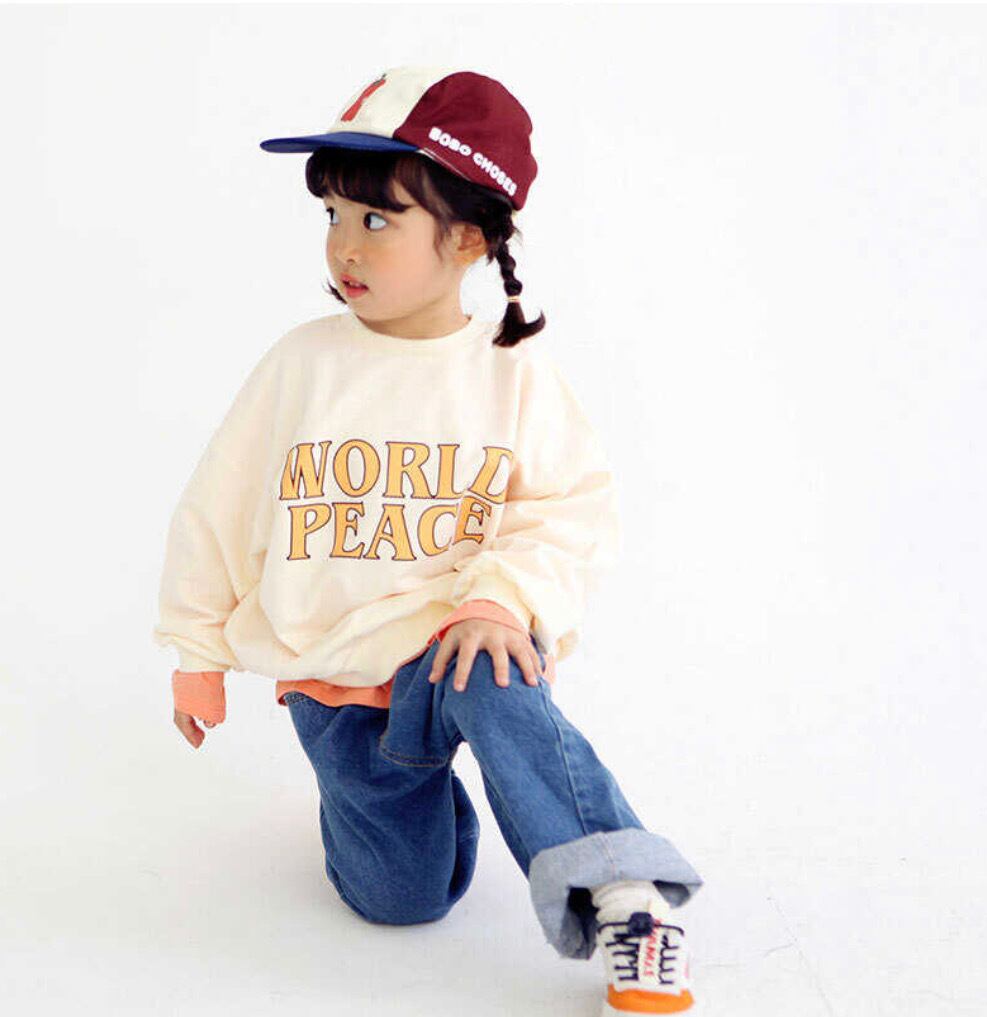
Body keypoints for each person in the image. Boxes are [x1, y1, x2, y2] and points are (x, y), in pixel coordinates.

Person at [153, 65, 704, 1016]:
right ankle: (424, 809)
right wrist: (196, 650)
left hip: (455, 644)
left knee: (494, 671)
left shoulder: (511, 371)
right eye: (334, 214)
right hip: (332, 681)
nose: (344, 245)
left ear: (469, 237)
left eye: (377, 219)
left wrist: (500, 599)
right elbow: (218, 507)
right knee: (402, 900)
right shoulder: (301, 363)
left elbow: (569, 506)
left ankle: (626, 894)